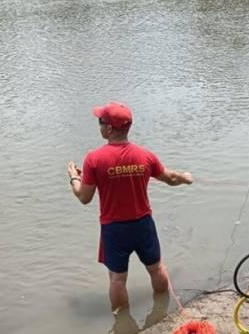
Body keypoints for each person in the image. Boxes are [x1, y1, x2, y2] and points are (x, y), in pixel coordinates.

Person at [67, 101, 193, 317]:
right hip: (143, 224)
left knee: (117, 278)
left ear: (109, 129)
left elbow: (84, 197)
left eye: (100, 122)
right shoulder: (144, 155)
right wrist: (185, 178)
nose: (99, 126)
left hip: (114, 228)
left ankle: (123, 323)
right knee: (156, 268)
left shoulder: (94, 159)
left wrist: (74, 178)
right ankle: (163, 313)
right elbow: (170, 178)